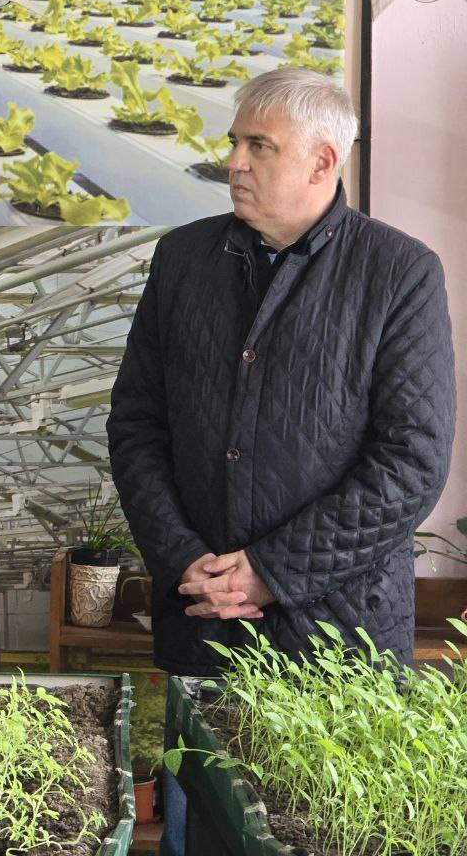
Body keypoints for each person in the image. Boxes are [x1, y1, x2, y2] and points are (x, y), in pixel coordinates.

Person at [107, 67, 456, 852]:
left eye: (258, 146)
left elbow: (412, 460)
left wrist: (272, 570)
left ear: (322, 161)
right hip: (204, 627)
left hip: (337, 643)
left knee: (325, 834)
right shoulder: (184, 260)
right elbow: (136, 425)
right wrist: (181, 556)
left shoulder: (397, 272)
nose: (233, 161)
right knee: (202, 834)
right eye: (235, 141)